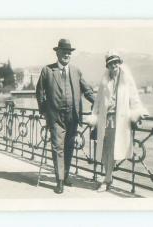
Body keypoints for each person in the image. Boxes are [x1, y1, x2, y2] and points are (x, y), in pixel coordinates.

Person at [36, 39, 94, 194]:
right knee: (57, 147)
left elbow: (87, 90)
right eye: (64, 52)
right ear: (57, 53)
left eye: (69, 52)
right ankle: (59, 181)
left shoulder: (76, 71)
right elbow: (40, 92)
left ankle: (66, 175)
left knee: (69, 147)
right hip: (56, 117)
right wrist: (44, 110)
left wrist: (97, 102)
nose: (67, 55)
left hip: (73, 116)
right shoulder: (47, 70)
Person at [86, 51, 148, 192]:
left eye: (116, 62)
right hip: (105, 119)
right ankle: (107, 177)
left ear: (119, 63)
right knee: (105, 150)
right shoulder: (105, 80)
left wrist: (138, 111)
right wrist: (93, 116)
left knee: (114, 149)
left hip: (119, 120)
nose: (113, 65)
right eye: (110, 63)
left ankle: (107, 179)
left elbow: (134, 97)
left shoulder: (126, 79)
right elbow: (99, 100)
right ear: (107, 65)